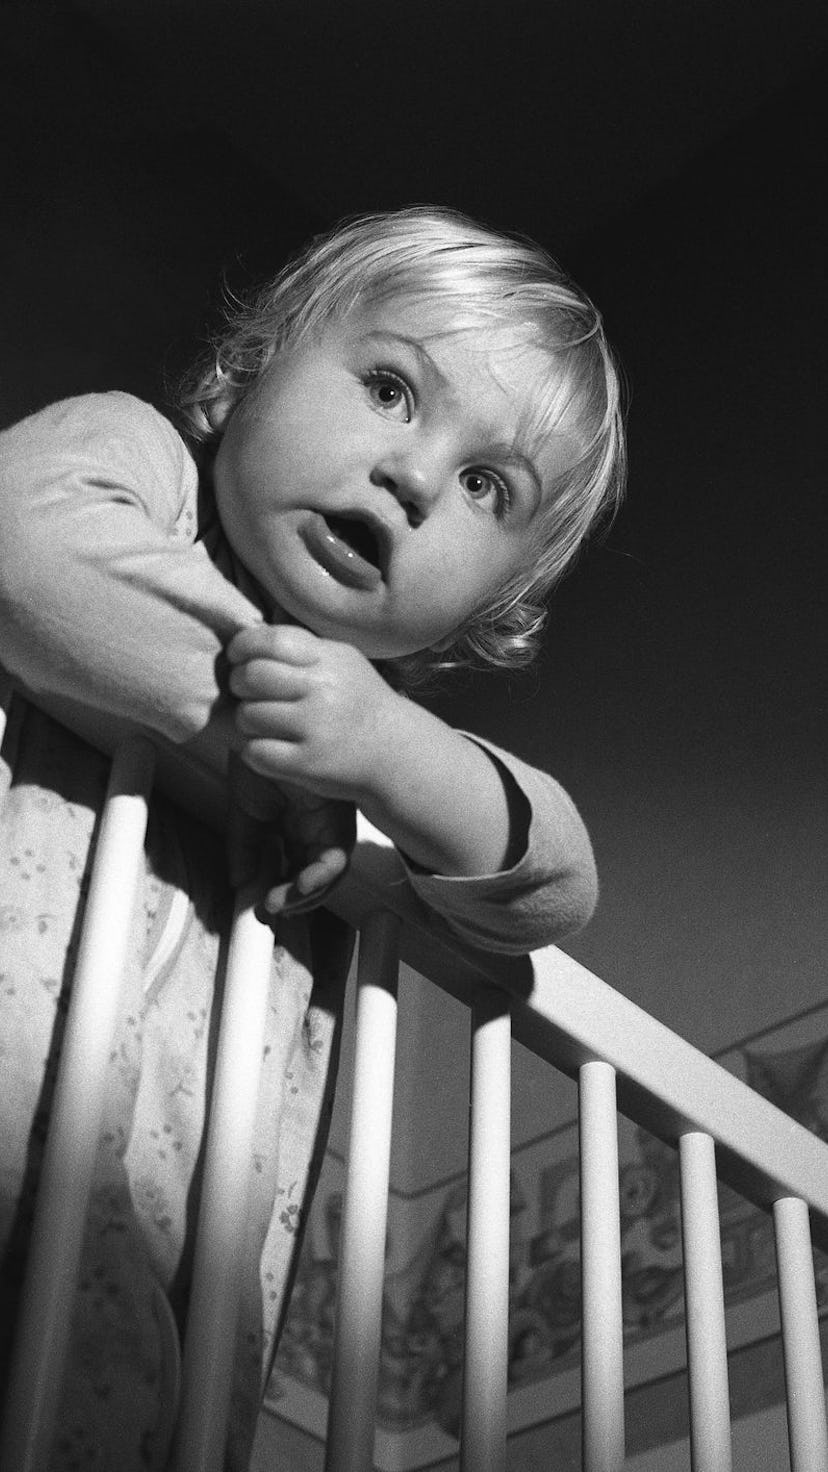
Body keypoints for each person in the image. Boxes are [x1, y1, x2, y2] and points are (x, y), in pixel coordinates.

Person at [0, 206, 625, 1469]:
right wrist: (255, 750)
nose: (412, 475)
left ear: (493, 605)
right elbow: (22, 533)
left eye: (485, 486)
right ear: (249, 369)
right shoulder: (150, 475)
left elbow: (553, 883)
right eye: (391, 387)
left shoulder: (364, 774)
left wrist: (387, 752)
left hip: (150, 1271)